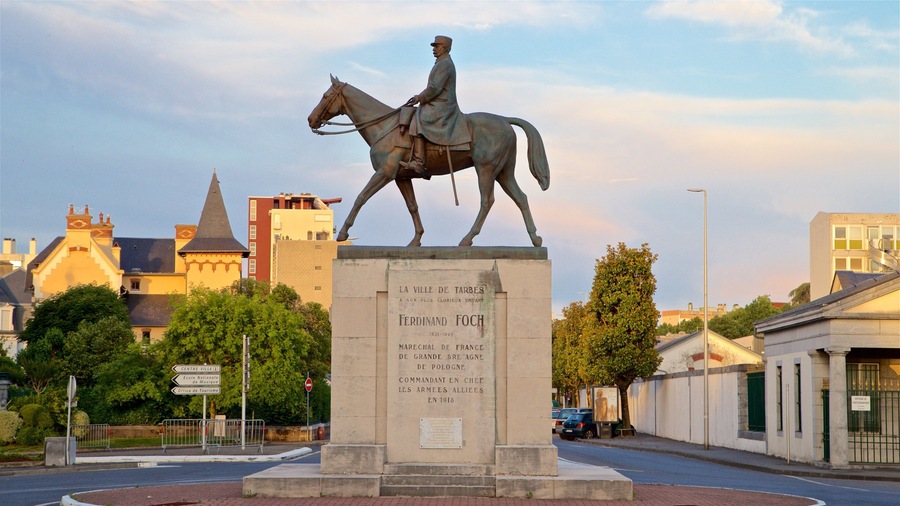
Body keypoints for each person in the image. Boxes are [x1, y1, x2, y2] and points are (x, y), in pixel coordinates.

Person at [400, 35, 469, 178]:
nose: (434, 49)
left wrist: (420, 97)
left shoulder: (445, 64)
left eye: (437, 46)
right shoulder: (440, 63)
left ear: (444, 48)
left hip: (443, 104)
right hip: (436, 101)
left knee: (419, 118)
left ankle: (419, 161)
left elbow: (435, 88)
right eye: (434, 46)